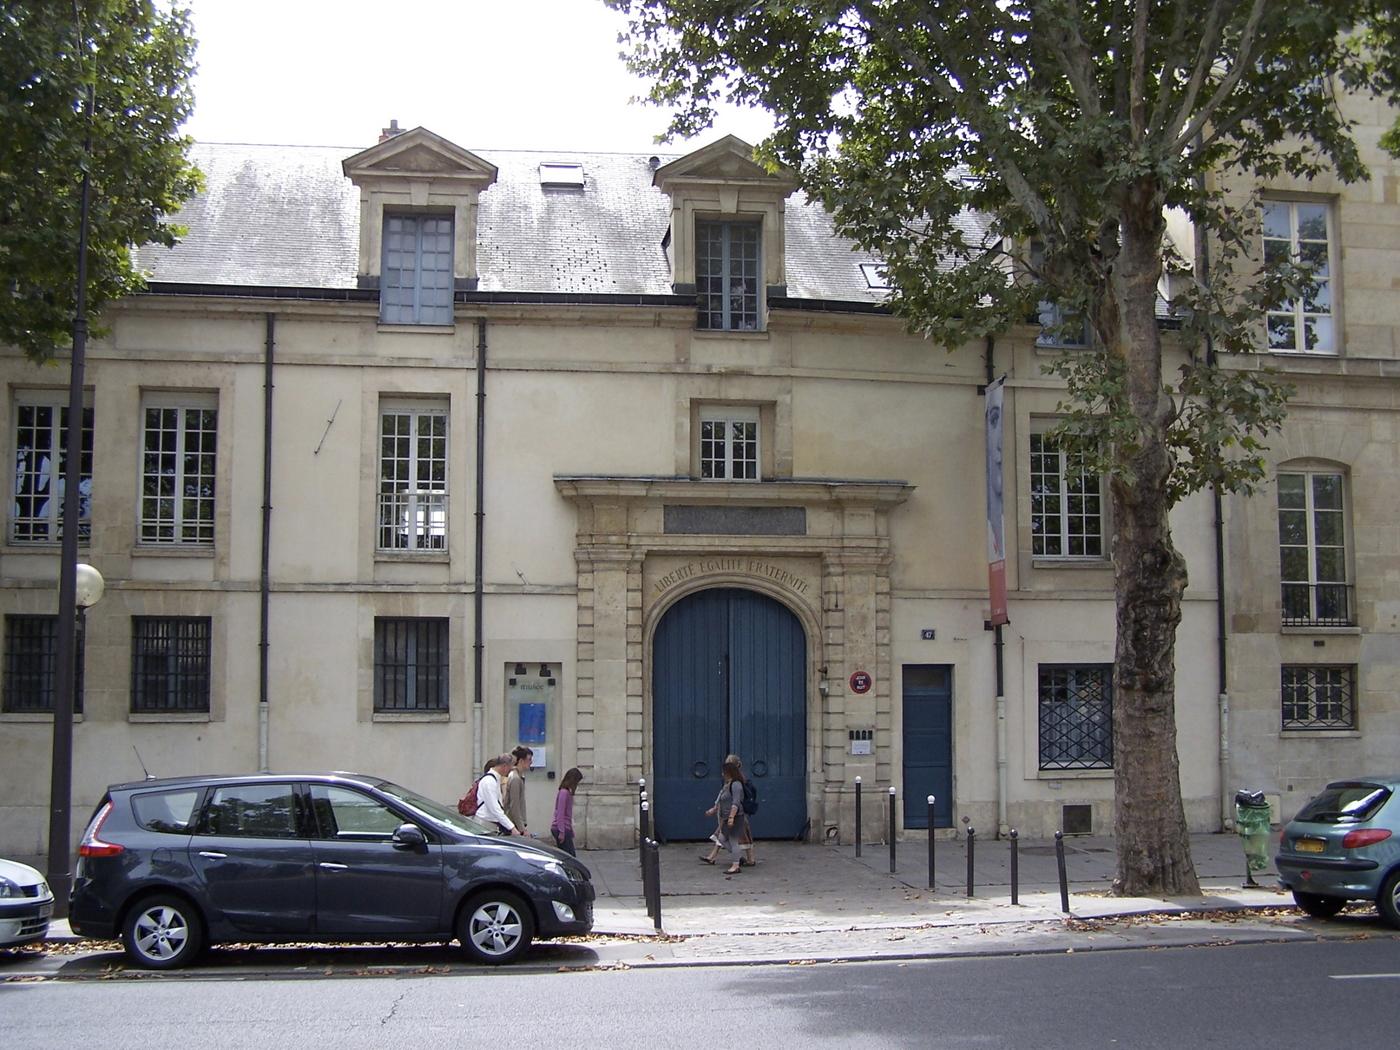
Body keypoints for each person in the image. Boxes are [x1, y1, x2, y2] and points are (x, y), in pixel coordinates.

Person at [701, 754, 748, 875]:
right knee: (722, 838)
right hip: (726, 817)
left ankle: (735, 865)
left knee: (732, 840)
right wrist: (715, 809)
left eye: (724, 772)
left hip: (735, 817)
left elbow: (736, 803)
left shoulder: (736, 784)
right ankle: (737, 857)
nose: (722, 774)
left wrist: (732, 817)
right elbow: (722, 798)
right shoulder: (728, 784)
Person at [475, 754, 523, 835]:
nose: (510, 771)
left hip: (489, 824)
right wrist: (512, 827)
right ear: (504, 766)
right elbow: (495, 808)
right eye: (510, 768)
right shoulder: (489, 781)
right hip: (485, 824)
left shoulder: (495, 780)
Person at [550, 767, 583, 856]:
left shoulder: (567, 792)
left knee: (566, 855)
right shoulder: (564, 792)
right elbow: (561, 813)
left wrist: (570, 830)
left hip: (564, 828)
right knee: (569, 856)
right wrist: (562, 831)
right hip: (560, 828)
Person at [504, 745, 533, 835]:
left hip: (515, 824)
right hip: (514, 826)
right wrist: (522, 829)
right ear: (521, 761)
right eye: (529, 760)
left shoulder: (518, 777)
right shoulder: (515, 778)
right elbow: (514, 806)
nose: (531, 762)